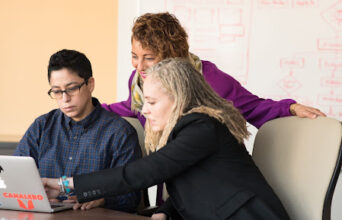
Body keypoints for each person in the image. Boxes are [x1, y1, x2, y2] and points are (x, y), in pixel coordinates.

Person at [42, 58, 290, 220]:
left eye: (151, 102)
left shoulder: (201, 127)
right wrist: (164, 213)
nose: (144, 111)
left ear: (179, 98)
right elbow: (193, 186)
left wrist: (66, 184)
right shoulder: (185, 131)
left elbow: (145, 171)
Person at [101, 12, 325, 129]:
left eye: (149, 58)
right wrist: (92, 109)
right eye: (134, 56)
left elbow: (253, 107)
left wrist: (291, 108)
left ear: (172, 55)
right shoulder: (139, 81)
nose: (139, 66)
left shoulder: (209, 79)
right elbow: (133, 108)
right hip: (172, 177)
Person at [14, 49, 142, 212]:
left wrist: (103, 199)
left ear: (90, 84)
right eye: (57, 91)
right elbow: (16, 175)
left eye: (72, 88)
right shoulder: (42, 126)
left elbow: (131, 197)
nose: (65, 98)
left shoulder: (119, 132)